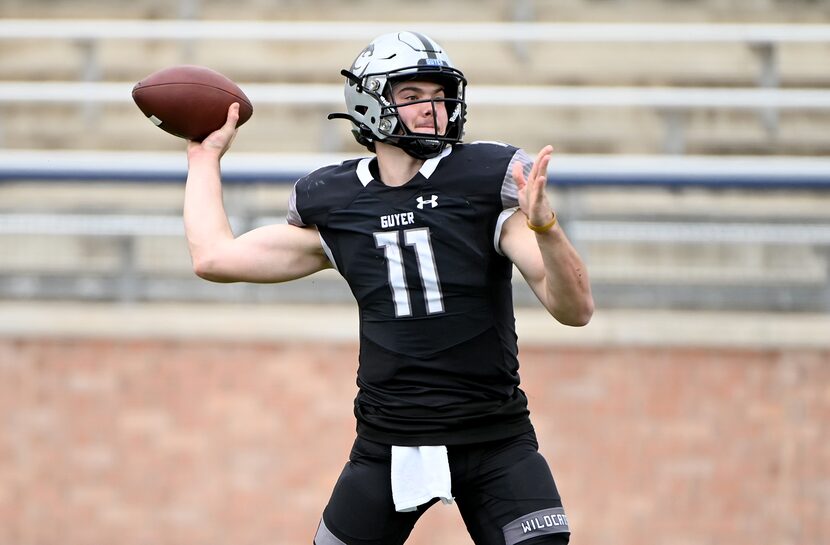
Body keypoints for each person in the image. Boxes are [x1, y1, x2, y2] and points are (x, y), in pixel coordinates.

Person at [184, 31, 593, 545]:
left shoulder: (486, 185)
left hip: (496, 438)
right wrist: (204, 160)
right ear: (370, 102)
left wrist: (547, 228)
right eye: (412, 95)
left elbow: (575, 310)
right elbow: (213, 258)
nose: (433, 108)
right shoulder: (336, 202)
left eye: (439, 95)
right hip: (390, 441)